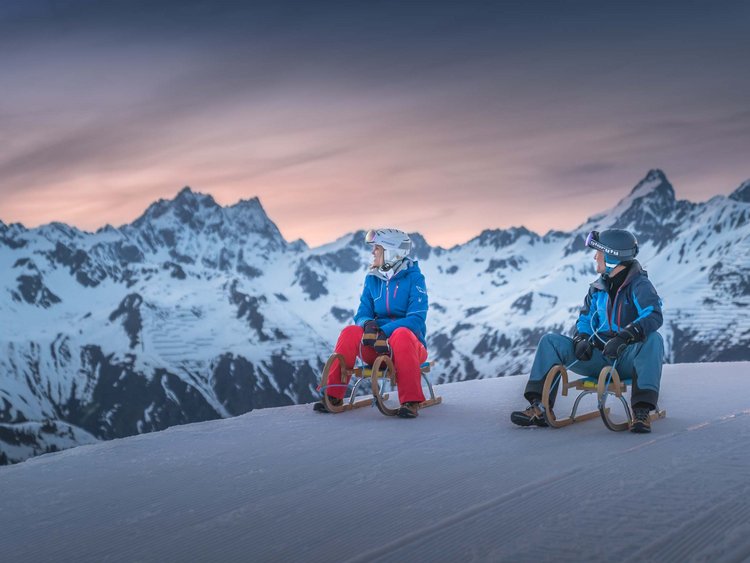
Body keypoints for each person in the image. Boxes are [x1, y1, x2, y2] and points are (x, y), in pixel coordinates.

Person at [510, 229, 664, 433]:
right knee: (550, 342)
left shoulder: (639, 285)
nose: (595, 257)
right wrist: (580, 338)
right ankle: (539, 407)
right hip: (598, 358)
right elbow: (584, 319)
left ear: (612, 256)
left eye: (599, 253)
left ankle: (642, 412)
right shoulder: (597, 288)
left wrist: (625, 336)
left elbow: (653, 314)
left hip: (627, 359)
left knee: (654, 340)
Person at [313, 228, 429, 418]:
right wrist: (367, 324)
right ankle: (332, 395)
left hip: (409, 348)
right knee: (351, 331)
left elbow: (416, 319)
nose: (373, 252)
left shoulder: (415, 278)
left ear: (392, 252)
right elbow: (362, 313)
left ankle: (410, 401)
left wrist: (384, 330)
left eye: (377, 248)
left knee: (401, 334)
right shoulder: (372, 279)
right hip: (377, 347)